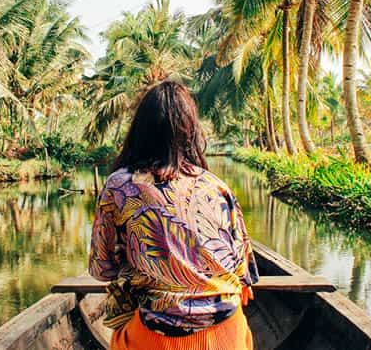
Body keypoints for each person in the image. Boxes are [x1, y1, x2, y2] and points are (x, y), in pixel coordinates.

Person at [89, 81, 259, 350]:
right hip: (229, 333)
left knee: (119, 334)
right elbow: (245, 273)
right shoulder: (216, 185)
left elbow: (101, 270)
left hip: (158, 338)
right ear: (190, 132)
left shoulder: (118, 185)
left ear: (140, 131)